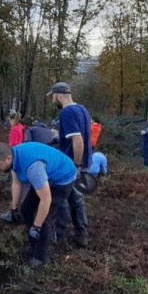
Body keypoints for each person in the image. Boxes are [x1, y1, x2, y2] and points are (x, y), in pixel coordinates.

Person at [0, 142, 75, 267]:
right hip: (45, 178)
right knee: (26, 209)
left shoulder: (33, 167)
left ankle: (41, 258)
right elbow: (17, 184)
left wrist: (37, 225)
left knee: (45, 218)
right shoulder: (13, 158)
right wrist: (14, 208)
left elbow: (46, 199)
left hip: (62, 178)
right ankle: (34, 247)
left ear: (8, 158)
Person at [47, 82, 92, 247]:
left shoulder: (66, 112)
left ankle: (60, 238)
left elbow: (77, 140)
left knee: (61, 200)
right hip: (85, 161)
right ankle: (82, 234)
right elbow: (78, 135)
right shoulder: (82, 109)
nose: (53, 100)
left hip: (71, 165)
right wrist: (58, 134)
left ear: (59, 95)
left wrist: (76, 165)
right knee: (77, 200)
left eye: (53, 97)